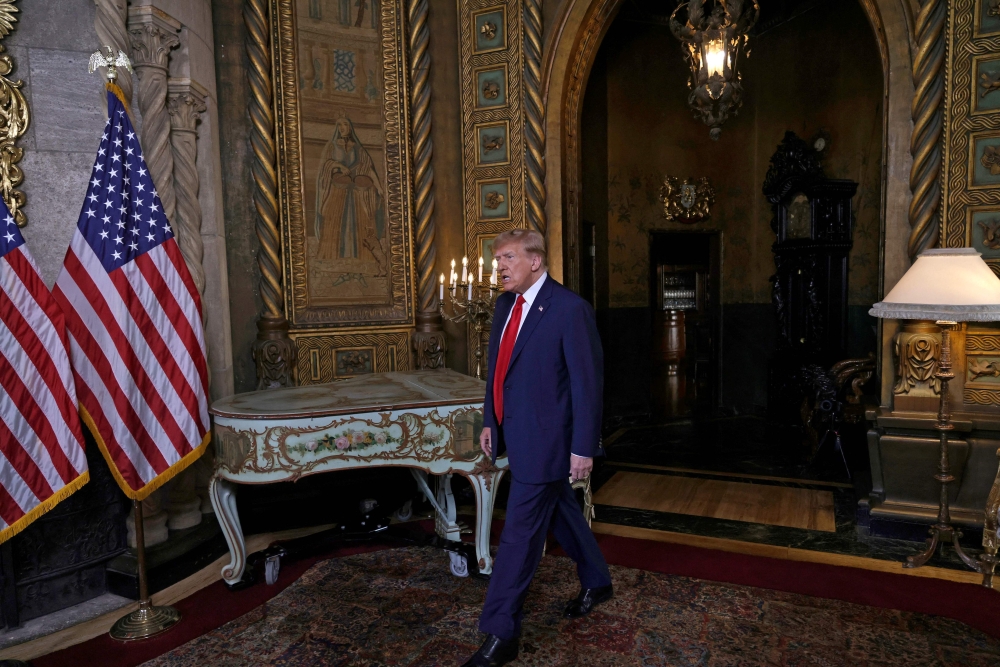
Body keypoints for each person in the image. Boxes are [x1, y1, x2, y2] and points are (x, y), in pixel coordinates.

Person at [462, 229, 613, 667]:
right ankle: (598, 581)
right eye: (496, 261)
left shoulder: (570, 310)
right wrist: (491, 420)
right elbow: (497, 370)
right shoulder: (504, 305)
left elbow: (588, 386)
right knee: (562, 509)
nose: (500, 268)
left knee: (518, 539)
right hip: (517, 433)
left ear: (535, 260)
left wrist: (583, 447)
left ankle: (499, 633)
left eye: (507, 258)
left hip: (552, 443)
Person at [314, 116, 388, 275]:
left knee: (361, 221)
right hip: (337, 192)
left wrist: (379, 187)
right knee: (335, 220)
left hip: (355, 193)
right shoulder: (332, 147)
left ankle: (363, 257)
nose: (342, 128)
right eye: (339, 125)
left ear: (350, 127)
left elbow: (368, 169)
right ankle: (332, 257)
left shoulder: (358, 149)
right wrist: (338, 165)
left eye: (345, 124)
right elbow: (325, 166)